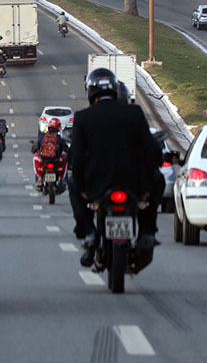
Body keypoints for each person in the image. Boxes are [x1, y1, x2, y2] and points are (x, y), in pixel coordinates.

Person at [68, 68, 163, 267]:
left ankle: (88, 230)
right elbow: (151, 151)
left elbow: (75, 158)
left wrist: (83, 188)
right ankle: (147, 230)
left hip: (96, 186)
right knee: (159, 180)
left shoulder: (83, 118)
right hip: (134, 185)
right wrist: (146, 185)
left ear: (91, 92)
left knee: (71, 182)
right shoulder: (134, 113)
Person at [32, 118, 69, 190]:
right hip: (56, 159)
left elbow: (36, 147)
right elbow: (66, 149)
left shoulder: (42, 136)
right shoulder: (59, 138)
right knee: (65, 160)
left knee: (35, 158)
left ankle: (39, 179)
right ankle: (62, 180)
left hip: (44, 159)